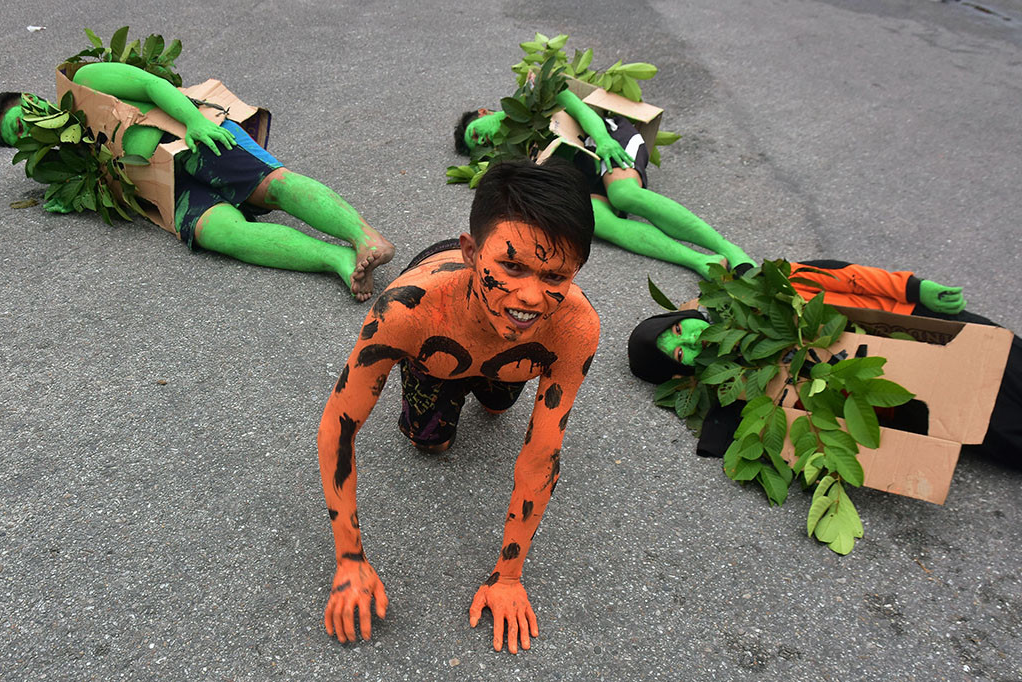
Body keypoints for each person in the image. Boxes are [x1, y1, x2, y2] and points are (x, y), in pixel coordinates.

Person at [317, 159, 600, 653]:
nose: (531, 295)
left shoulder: (575, 327)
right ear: (472, 252)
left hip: (514, 356)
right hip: (440, 337)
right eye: (511, 266)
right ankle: (431, 380)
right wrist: (348, 560)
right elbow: (339, 425)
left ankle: (486, 383)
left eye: (555, 275)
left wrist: (508, 578)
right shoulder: (405, 310)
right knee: (431, 440)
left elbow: (541, 456)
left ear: (575, 273)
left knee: (497, 406)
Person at [0, 62, 393, 300]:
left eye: (20, 121)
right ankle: (338, 260)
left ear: (33, 101)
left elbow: (150, 86)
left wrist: (192, 121)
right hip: (170, 189)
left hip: (188, 138)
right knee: (223, 235)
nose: (27, 132)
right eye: (17, 138)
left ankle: (364, 237)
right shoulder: (65, 159)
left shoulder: (85, 80)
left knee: (272, 187)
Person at [627, 260, 1021, 469]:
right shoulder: (748, 386)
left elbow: (843, 277)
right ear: (685, 374)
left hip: (933, 330)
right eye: (681, 352)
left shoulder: (765, 289)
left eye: (679, 330)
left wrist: (912, 288)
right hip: (921, 389)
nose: (692, 339)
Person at [454, 88, 754, 278]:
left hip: (605, 138)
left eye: (476, 132)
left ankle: (729, 249)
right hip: (578, 175)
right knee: (599, 223)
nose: (482, 140)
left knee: (624, 194)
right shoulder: (513, 155)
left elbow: (579, 107)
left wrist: (605, 141)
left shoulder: (533, 95)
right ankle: (702, 262)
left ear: (485, 113)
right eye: (478, 145)